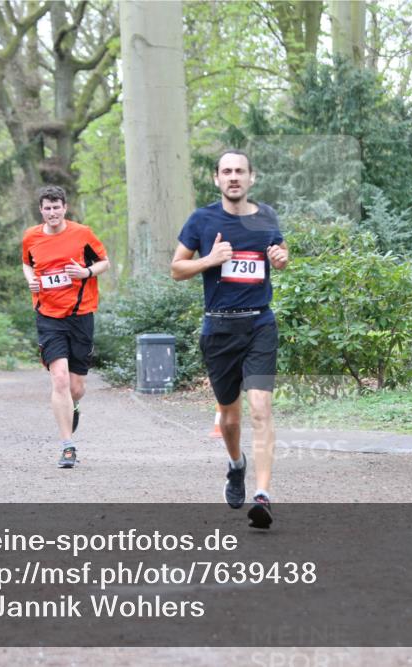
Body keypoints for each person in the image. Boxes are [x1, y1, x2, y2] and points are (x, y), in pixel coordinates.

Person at [171, 150, 289, 529]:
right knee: (230, 415)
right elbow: (176, 268)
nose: (233, 177)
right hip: (219, 328)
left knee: (260, 408)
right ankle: (236, 464)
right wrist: (210, 260)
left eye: (240, 171)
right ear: (216, 179)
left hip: (259, 324)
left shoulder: (266, 217)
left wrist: (281, 258)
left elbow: (279, 253)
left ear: (251, 178)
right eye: (227, 171)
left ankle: (263, 495)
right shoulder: (202, 220)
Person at [22, 185, 110, 468]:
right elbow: (26, 264)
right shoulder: (31, 237)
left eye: (56, 207)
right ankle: (67, 446)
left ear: (65, 207)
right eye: (46, 208)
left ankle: (74, 406)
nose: (52, 213)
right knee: (58, 379)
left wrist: (85, 272)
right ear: (41, 210)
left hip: (80, 315)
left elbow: (104, 262)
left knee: (76, 386)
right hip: (48, 316)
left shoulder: (82, 233)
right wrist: (30, 279)